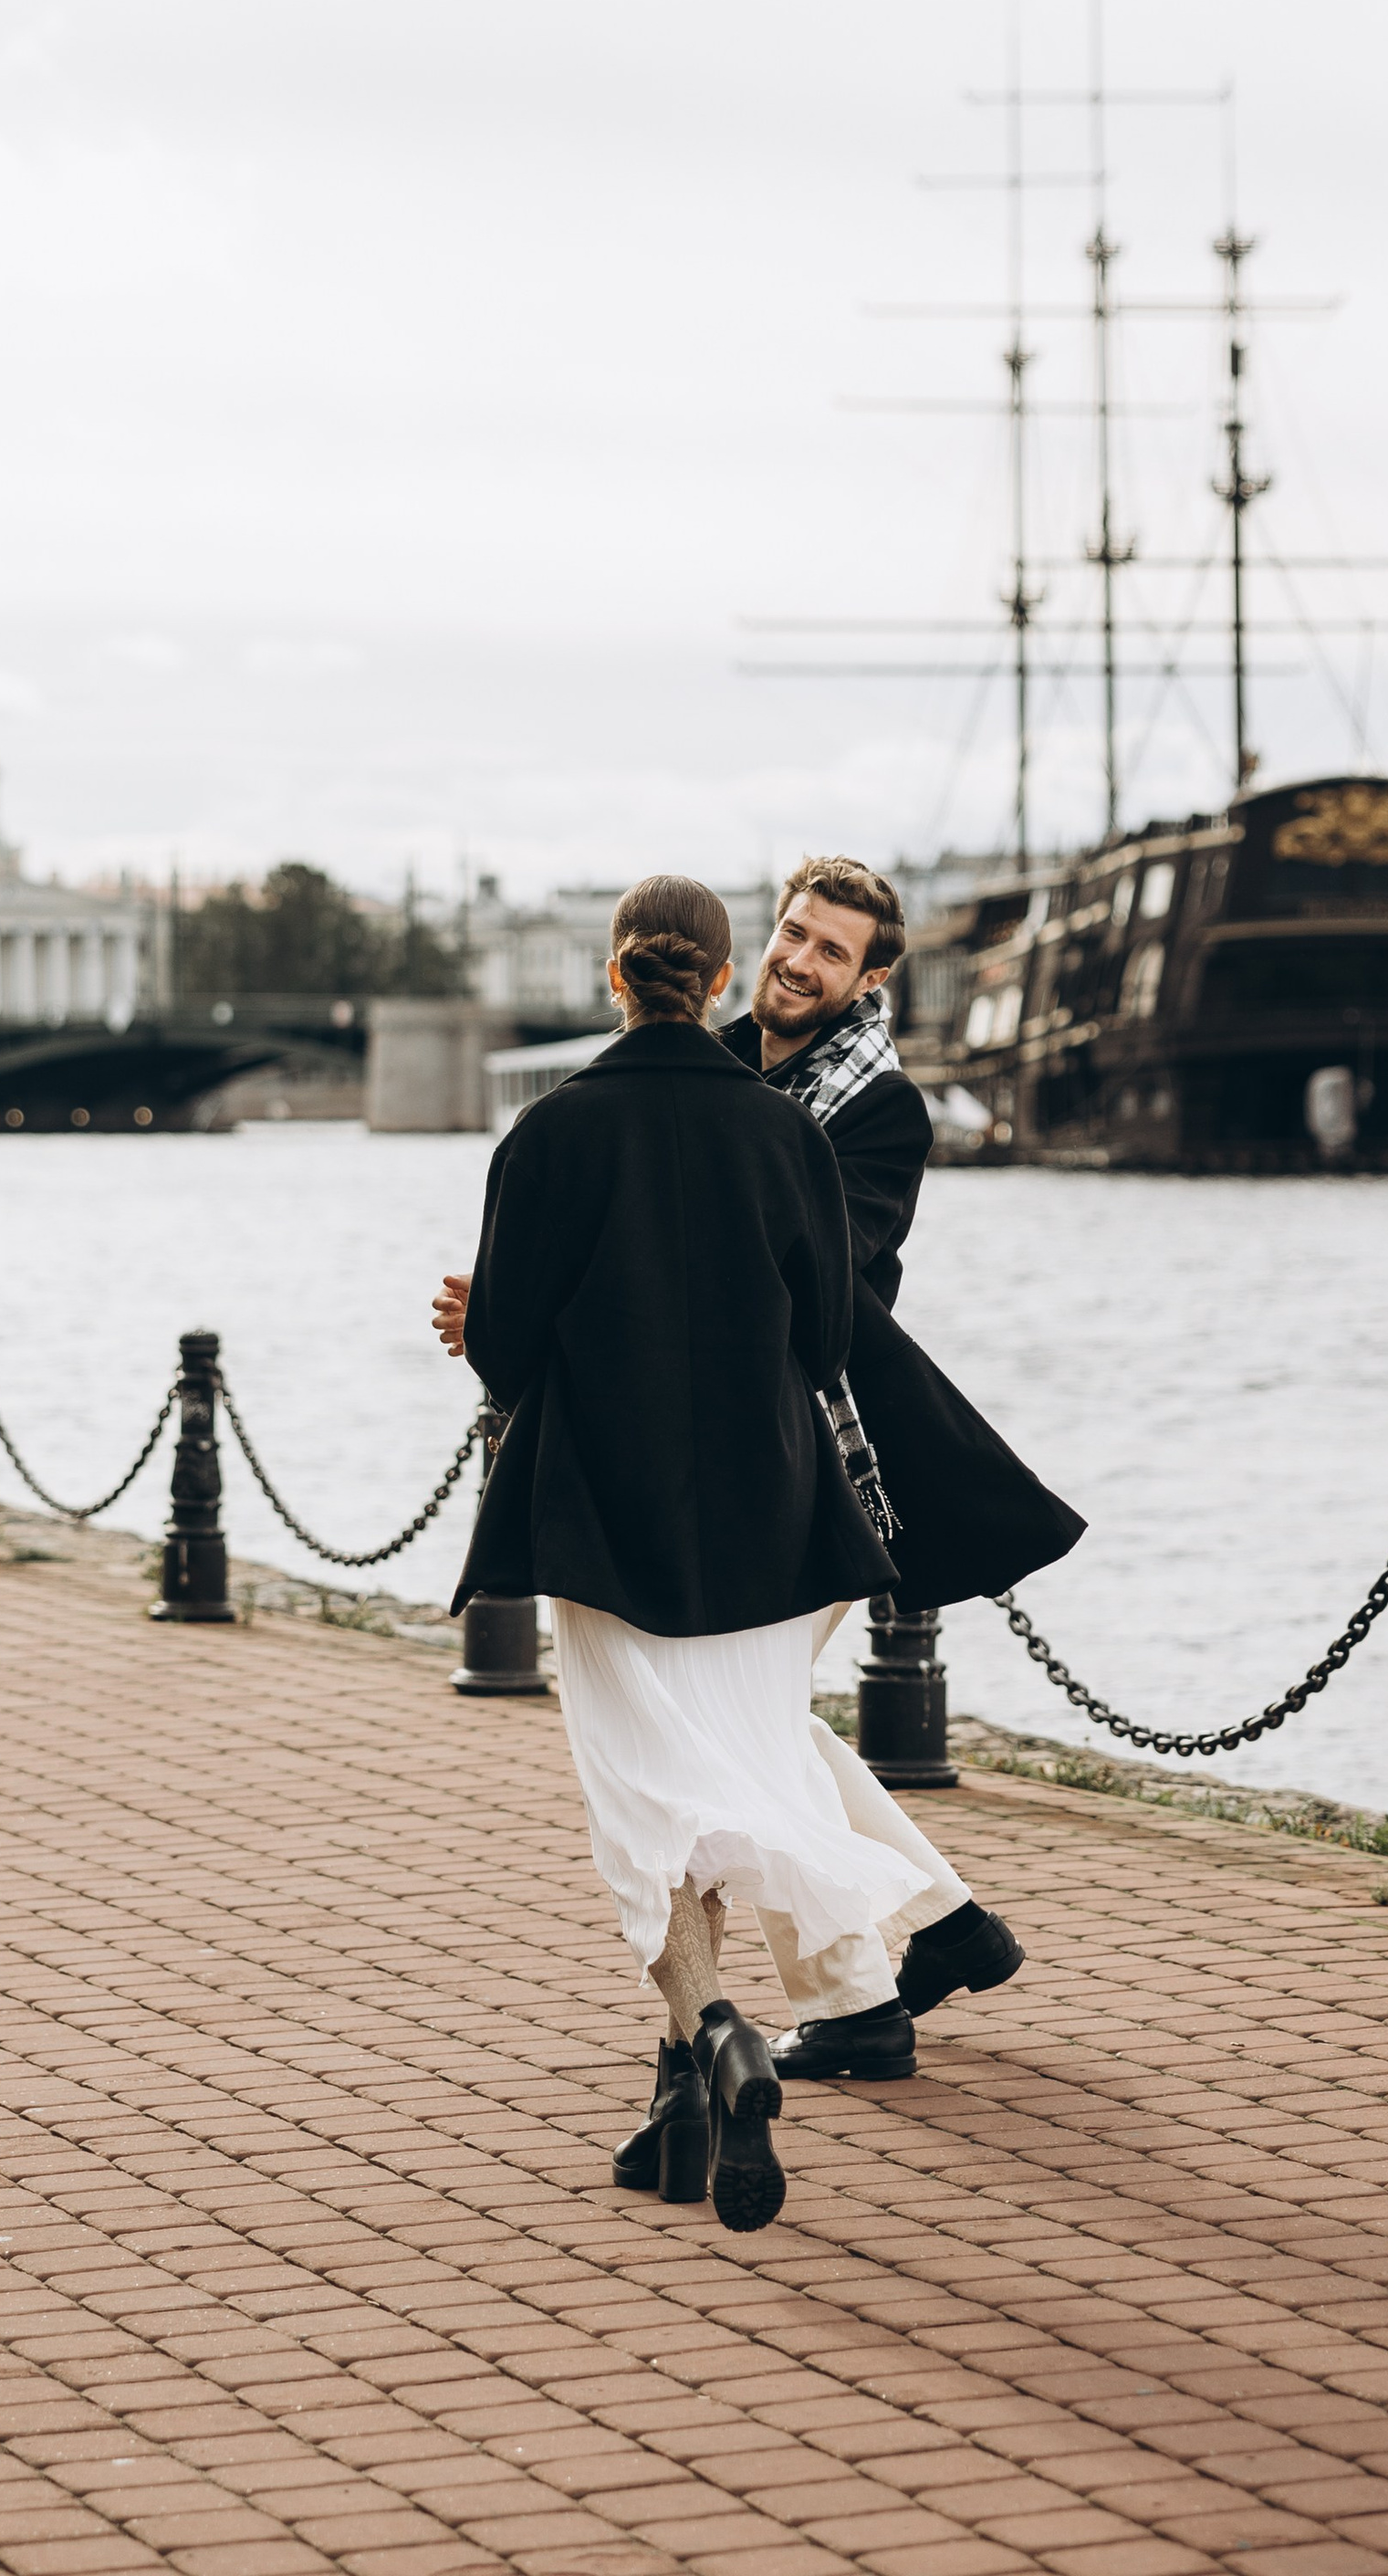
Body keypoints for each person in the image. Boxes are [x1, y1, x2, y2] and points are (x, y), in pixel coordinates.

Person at [445, 873, 939, 2233]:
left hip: (607, 1521)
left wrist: (512, 1315)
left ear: (617, 976)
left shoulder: (549, 1134)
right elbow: (830, 1336)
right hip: (775, 1524)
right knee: (718, 1777)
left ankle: (715, 2031)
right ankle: (680, 2096)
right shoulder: (784, 1137)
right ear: (719, 978)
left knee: (644, 1806)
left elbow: (503, 1348)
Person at [722, 857, 1085, 2081]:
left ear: (871, 977)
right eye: (791, 931)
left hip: (819, 1458)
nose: (797, 958)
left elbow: (821, 1265)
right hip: (716, 1447)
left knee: (737, 1728)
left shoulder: (880, 1111)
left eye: (830, 949)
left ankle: (855, 1998)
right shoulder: (709, 1063)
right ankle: (944, 1923)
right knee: (749, 1716)